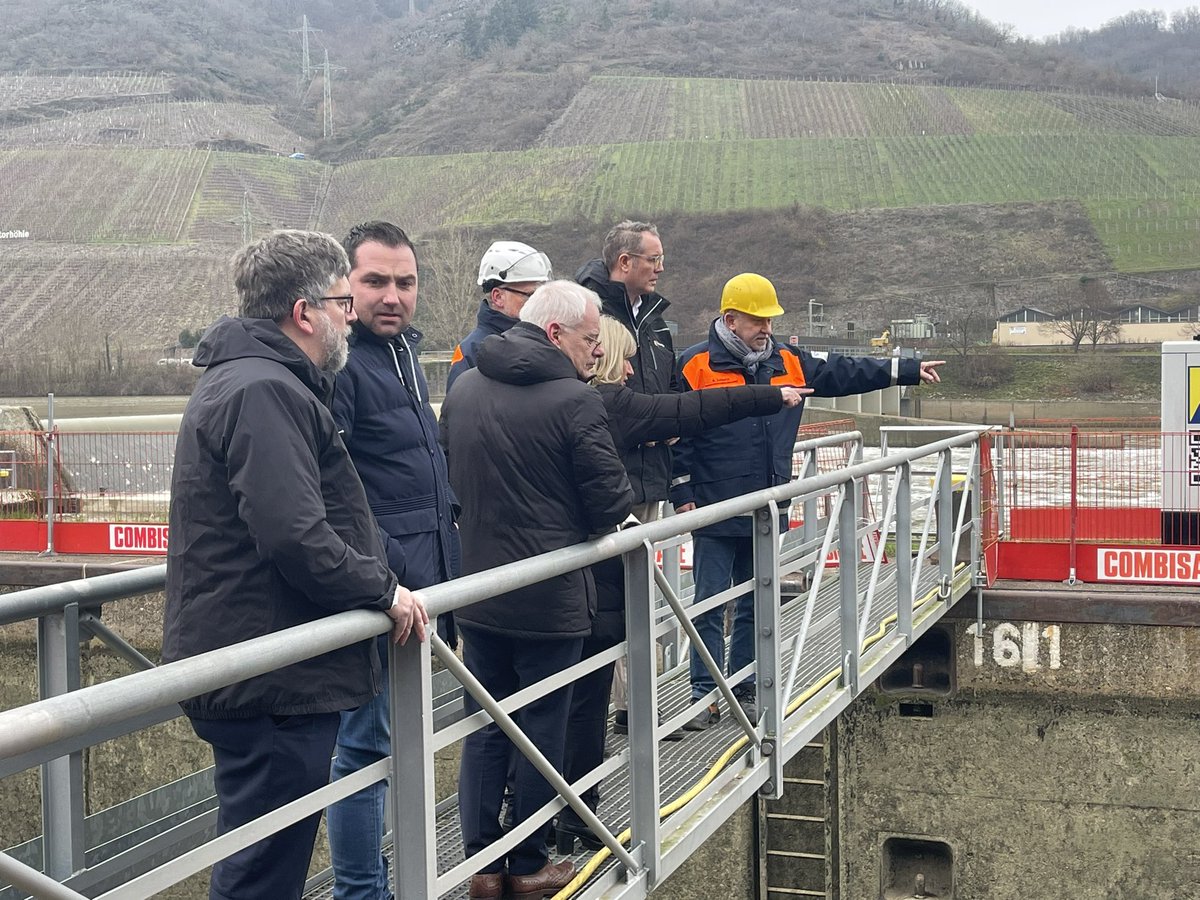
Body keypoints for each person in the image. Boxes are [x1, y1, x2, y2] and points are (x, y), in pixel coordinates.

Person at [161, 229, 428, 900]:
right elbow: (294, 534)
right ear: (304, 312)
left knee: (261, 862)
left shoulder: (255, 380)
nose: (350, 317)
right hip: (270, 675)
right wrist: (384, 590)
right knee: (262, 875)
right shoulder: (265, 390)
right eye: (343, 301)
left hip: (262, 662)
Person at [555, 315, 808, 853]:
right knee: (700, 608)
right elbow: (690, 411)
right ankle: (574, 814)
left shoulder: (541, 398)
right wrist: (677, 489)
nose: (632, 370)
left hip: (551, 573)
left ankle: (539, 826)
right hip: (606, 565)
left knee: (557, 699)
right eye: (623, 360)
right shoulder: (608, 403)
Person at [671, 273, 945, 731]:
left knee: (756, 602)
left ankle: (744, 687)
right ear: (730, 319)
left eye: (770, 320)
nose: (766, 328)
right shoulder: (694, 364)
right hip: (714, 505)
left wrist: (906, 370)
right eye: (757, 320)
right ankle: (705, 695)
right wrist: (682, 493)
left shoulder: (787, 361)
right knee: (709, 603)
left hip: (768, 504)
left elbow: (844, 371)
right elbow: (678, 434)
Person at [441, 281, 633, 900]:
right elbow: (611, 503)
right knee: (541, 728)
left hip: (479, 593)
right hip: (550, 600)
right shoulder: (576, 400)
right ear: (554, 334)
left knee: (486, 727)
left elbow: (451, 479)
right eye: (590, 339)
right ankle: (527, 865)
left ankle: (482, 869)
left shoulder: (464, 387)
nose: (597, 351)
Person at [326, 221, 457, 900]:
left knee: (390, 744)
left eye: (405, 282)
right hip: (380, 596)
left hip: (416, 594)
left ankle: (387, 878)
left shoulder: (401, 354)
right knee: (363, 748)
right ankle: (361, 891)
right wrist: (387, 573)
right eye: (375, 280)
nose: (392, 295)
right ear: (344, 286)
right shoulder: (343, 362)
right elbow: (335, 489)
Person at [575, 220, 674, 731]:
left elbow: (673, 393)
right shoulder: (589, 312)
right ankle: (625, 710)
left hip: (649, 479)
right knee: (611, 600)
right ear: (624, 262)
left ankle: (637, 703)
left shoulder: (656, 322)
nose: (660, 268)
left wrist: (668, 431)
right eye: (653, 259)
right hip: (608, 482)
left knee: (643, 595)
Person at [447, 240, 553, 391]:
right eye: (530, 295)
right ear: (498, 297)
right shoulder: (471, 351)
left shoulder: (549, 339)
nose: (538, 303)